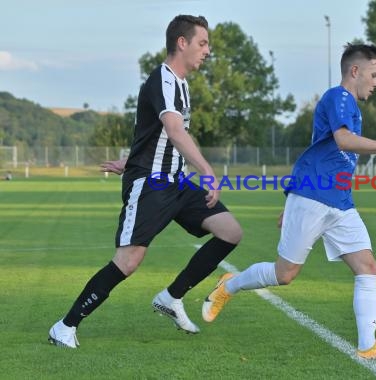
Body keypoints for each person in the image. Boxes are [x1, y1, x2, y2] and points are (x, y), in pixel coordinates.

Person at [201, 43, 376, 361]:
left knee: (368, 267)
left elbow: (330, 152)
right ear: (355, 71)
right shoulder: (338, 97)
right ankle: (230, 284)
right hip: (313, 199)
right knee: (284, 274)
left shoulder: (351, 108)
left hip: (339, 202)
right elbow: (343, 140)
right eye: (374, 75)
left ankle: (367, 346)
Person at [48, 15, 242, 348]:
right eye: (203, 43)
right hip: (152, 185)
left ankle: (172, 297)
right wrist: (208, 171)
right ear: (182, 43)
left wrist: (132, 158)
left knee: (230, 232)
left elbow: (153, 134)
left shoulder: (180, 84)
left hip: (176, 182)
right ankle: (65, 326)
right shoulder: (163, 80)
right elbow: (174, 131)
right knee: (128, 261)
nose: (208, 51)